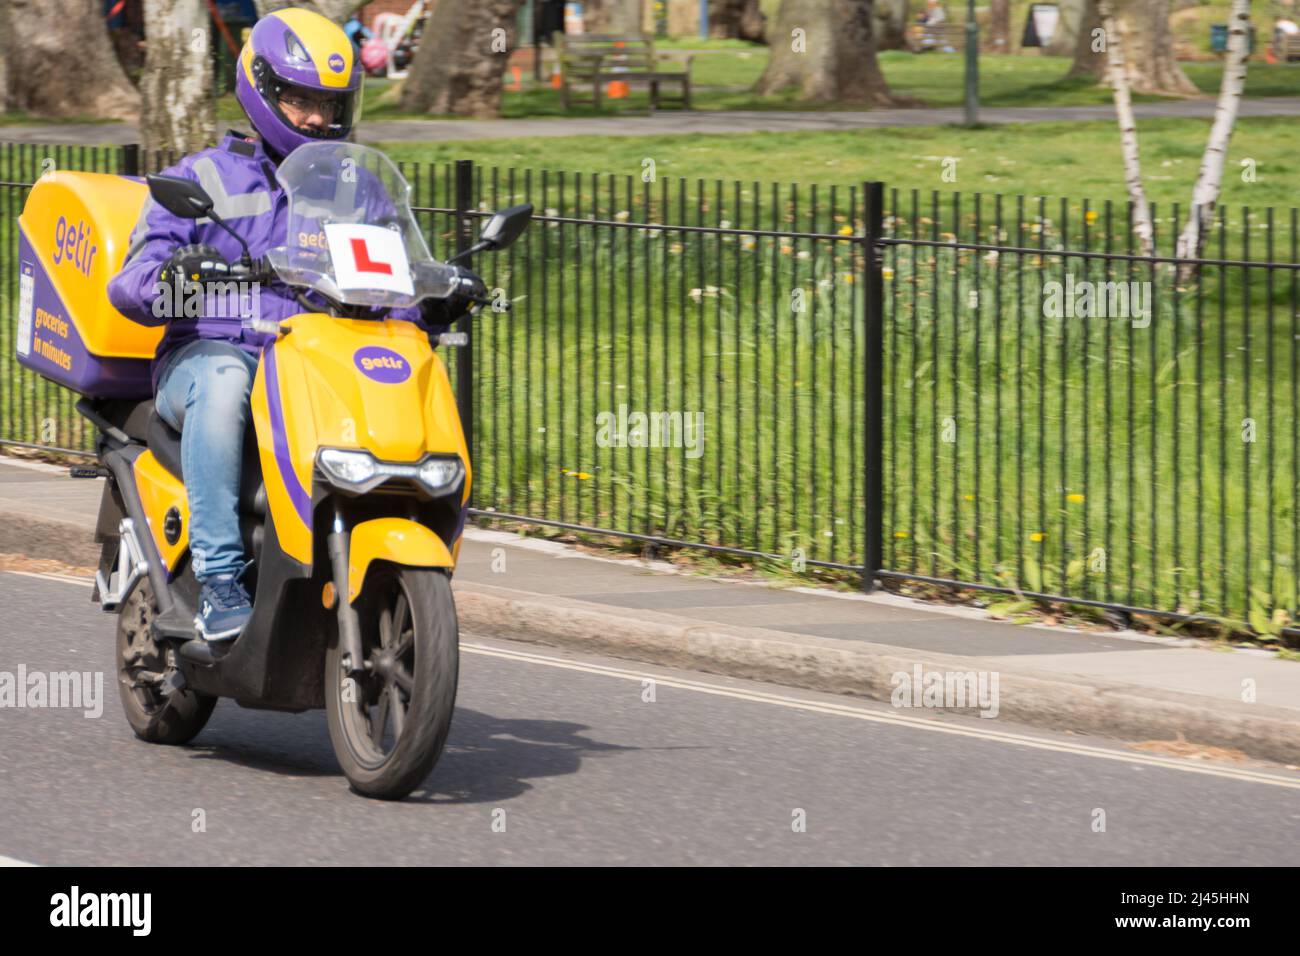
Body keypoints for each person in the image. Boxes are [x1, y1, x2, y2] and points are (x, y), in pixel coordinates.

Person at [108, 8, 468, 641]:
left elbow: (394, 273)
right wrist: (181, 279)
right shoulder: (201, 178)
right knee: (222, 382)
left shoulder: (357, 193)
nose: (317, 119)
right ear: (263, 91)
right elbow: (131, 283)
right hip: (214, 353)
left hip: (312, 362)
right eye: (300, 99)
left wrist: (429, 298)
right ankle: (220, 583)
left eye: (329, 104)